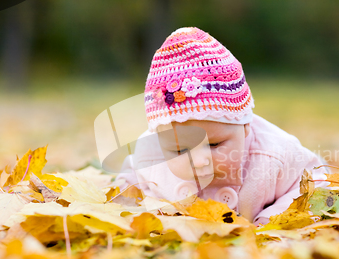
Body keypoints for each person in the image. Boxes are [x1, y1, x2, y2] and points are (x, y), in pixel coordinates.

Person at [116, 27, 328, 225]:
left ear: (245, 125)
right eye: (180, 150)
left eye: (215, 144)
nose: (199, 161)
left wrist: (271, 220)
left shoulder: (273, 156)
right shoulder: (150, 157)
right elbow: (130, 181)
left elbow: (316, 180)